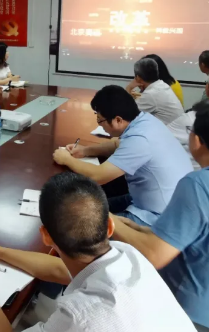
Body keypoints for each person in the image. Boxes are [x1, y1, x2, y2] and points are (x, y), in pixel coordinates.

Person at [0, 172, 207, 332]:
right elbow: (58, 269)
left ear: (45, 236)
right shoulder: (128, 255)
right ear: (109, 226)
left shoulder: (78, 316)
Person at [112, 104, 209, 332]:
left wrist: (104, 220)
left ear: (196, 141)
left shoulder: (200, 183)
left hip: (178, 328)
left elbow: (154, 255)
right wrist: (131, 226)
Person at [53, 85, 192, 226]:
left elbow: (98, 176)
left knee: (82, 225)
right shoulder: (145, 121)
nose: (100, 125)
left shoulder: (140, 140)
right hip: (151, 200)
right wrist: (85, 150)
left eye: (100, 120)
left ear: (118, 120)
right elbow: (116, 145)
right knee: (86, 209)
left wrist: (66, 159)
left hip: (158, 216)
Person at [125, 58, 183, 125]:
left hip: (169, 131)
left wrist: (128, 88)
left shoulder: (150, 94)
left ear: (138, 78)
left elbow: (126, 114)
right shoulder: (161, 85)